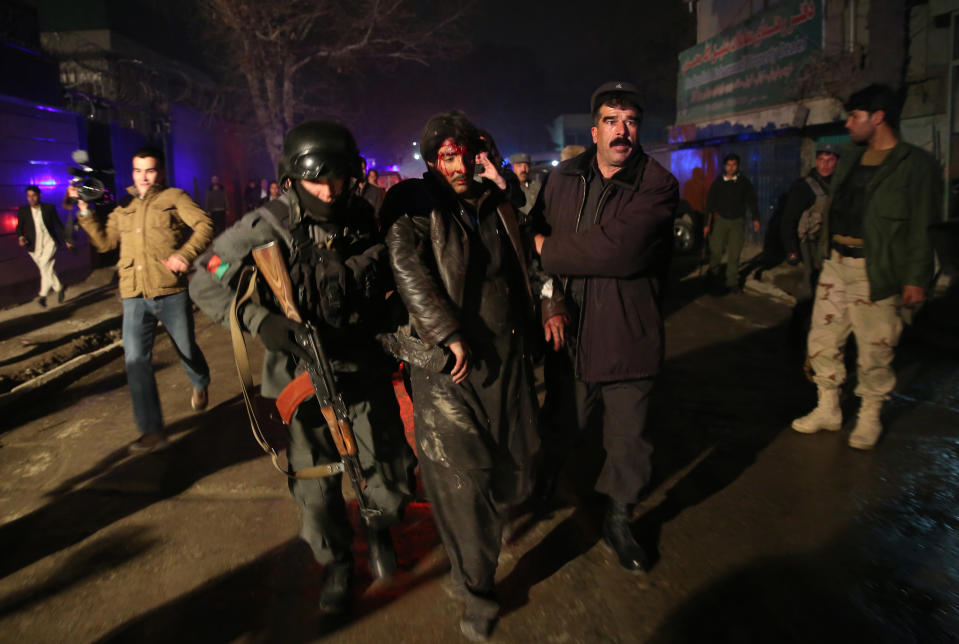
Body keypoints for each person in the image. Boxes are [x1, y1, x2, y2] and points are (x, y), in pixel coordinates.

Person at [190, 121, 415, 614]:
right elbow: (207, 277)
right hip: (300, 374)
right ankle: (335, 562)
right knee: (314, 482)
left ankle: (380, 527)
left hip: (364, 363)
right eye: (317, 180)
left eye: (339, 178)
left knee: (390, 467)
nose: (330, 190)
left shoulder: (372, 213)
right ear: (292, 178)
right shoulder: (266, 225)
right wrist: (261, 321)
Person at [383, 110, 565, 641]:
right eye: (448, 156)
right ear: (433, 161)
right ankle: (478, 588)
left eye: (468, 153)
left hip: (506, 361)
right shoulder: (414, 203)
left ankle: (482, 545)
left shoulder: (499, 202)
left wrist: (550, 302)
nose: (459, 165)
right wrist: (445, 330)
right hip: (449, 371)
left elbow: (530, 268)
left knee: (513, 465)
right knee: (464, 483)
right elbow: (407, 266)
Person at [530, 81, 678, 573]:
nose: (622, 131)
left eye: (631, 121)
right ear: (594, 130)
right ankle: (542, 490)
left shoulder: (656, 184)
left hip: (627, 332)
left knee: (628, 442)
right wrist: (550, 300)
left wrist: (545, 249)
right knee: (560, 424)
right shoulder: (563, 179)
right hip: (569, 331)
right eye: (612, 121)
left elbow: (618, 250)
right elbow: (534, 243)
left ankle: (619, 519)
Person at [791, 84, 938, 450]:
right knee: (821, 341)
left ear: (878, 117)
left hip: (877, 269)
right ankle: (828, 408)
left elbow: (923, 226)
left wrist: (916, 279)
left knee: (876, 348)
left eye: (854, 117)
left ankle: (870, 415)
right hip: (837, 264)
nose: (848, 124)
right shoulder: (850, 158)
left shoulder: (914, 166)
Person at [73, 147, 212, 452]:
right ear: (132, 172)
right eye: (138, 170)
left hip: (169, 291)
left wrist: (184, 255)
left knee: (186, 348)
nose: (144, 177)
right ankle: (152, 431)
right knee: (135, 362)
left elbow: (205, 225)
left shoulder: (174, 198)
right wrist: (85, 212)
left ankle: (200, 381)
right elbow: (105, 242)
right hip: (134, 294)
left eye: (149, 170)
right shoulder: (123, 207)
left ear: (160, 172)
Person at [781, 143, 840, 299]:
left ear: (837, 162)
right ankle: (803, 318)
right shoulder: (804, 187)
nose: (825, 165)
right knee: (811, 283)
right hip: (810, 244)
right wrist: (791, 250)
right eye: (821, 160)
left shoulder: (839, 186)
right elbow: (788, 219)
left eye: (830, 160)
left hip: (832, 243)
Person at [704, 152, 759, 293]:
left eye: (734, 165)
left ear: (737, 166)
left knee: (734, 254)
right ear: (725, 166)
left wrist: (756, 218)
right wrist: (707, 224)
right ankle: (713, 277)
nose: (731, 167)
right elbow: (710, 204)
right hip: (720, 221)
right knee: (716, 251)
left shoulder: (743, 182)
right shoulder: (718, 183)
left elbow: (752, 201)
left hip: (737, 222)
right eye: (728, 164)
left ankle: (732, 282)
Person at [17, 185, 73, 307]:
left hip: (49, 242)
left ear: (39, 196)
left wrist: (67, 239)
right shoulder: (23, 210)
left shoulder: (49, 208)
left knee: (43, 265)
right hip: (33, 245)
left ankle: (42, 295)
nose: (31, 198)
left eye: (34, 195)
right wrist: (21, 237)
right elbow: (19, 227)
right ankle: (59, 288)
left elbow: (58, 224)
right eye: (29, 196)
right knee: (46, 268)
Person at [509, 152, 542, 218]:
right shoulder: (509, 188)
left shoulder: (537, 186)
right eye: (519, 166)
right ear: (512, 167)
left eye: (526, 166)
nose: (523, 169)